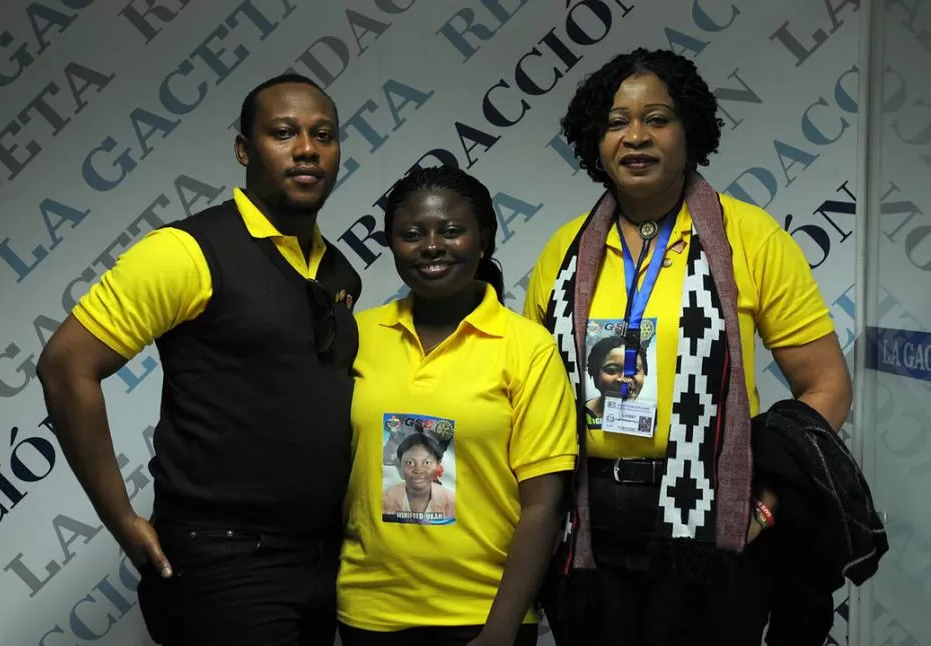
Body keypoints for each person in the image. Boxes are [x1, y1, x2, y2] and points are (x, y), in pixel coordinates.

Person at [523, 48, 854, 645]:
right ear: (595, 143)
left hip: (714, 522)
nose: (636, 137)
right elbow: (532, 396)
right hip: (589, 523)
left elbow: (826, 384)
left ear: (689, 130)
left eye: (657, 118)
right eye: (616, 122)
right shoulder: (562, 252)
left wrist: (763, 508)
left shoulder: (750, 238)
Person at [36, 73, 361, 646]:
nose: (307, 148)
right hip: (225, 560)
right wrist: (122, 521)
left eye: (323, 134)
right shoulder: (186, 251)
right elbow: (66, 366)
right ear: (244, 149)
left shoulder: (337, 271)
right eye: (283, 133)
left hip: (322, 557)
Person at [338, 166, 578, 646]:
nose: (431, 246)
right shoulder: (356, 336)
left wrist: (502, 629)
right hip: (368, 612)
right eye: (411, 234)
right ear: (391, 245)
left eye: (451, 231)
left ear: (483, 240)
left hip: (484, 615)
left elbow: (543, 505)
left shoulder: (527, 347)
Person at [381, 431, 456, 521]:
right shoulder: (386, 498)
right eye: (410, 463)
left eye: (426, 463)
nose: (418, 470)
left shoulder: (450, 500)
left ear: (437, 465)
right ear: (400, 465)